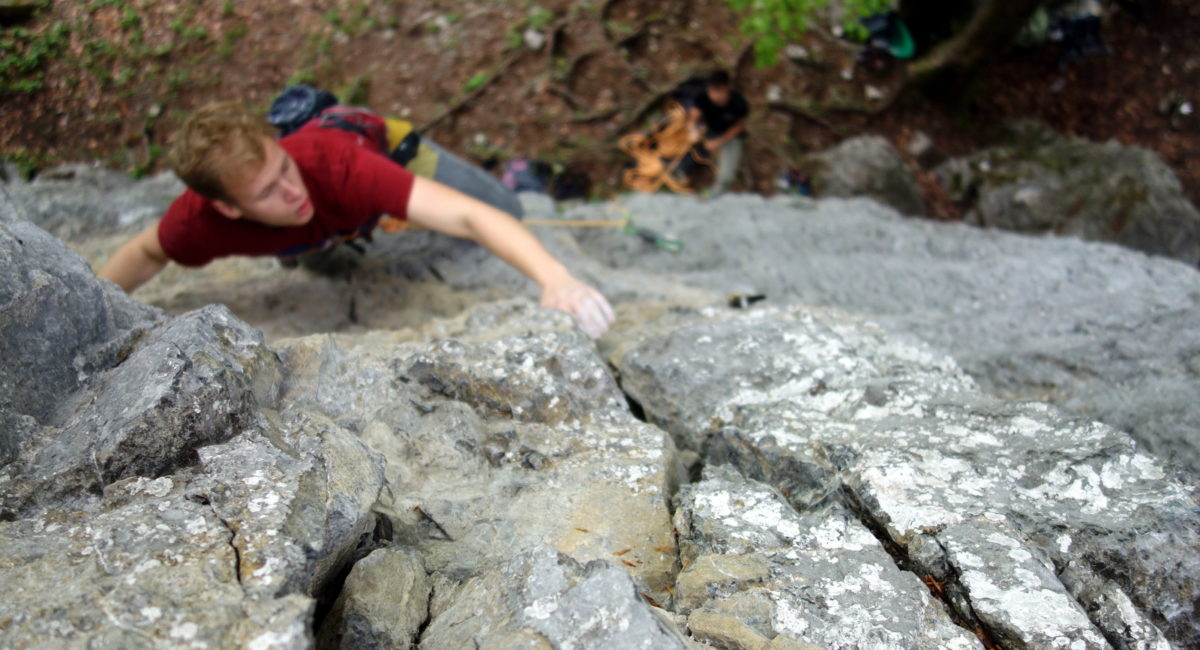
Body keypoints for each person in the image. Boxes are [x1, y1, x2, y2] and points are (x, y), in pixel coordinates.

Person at [96, 102, 615, 338]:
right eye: (267, 191)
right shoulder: (197, 225)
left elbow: (469, 216)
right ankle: (356, 233)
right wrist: (90, 309)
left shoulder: (337, 166)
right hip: (327, 231)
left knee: (508, 213)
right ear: (228, 208)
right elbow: (145, 253)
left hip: (387, 152)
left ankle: (518, 180)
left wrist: (556, 278)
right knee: (328, 263)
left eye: (284, 166)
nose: (292, 190)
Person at [676, 70, 749, 195]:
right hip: (708, 129)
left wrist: (718, 142)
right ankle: (682, 172)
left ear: (726, 89)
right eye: (711, 91)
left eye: (718, 91)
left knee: (727, 175)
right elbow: (693, 117)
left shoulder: (739, 103)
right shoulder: (702, 97)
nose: (714, 95)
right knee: (689, 140)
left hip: (729, 135)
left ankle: (717, 192)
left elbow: (739, 127)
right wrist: (692, 130)